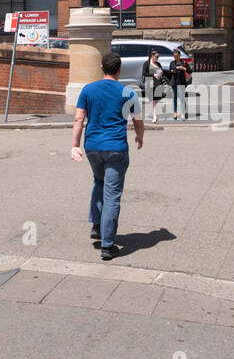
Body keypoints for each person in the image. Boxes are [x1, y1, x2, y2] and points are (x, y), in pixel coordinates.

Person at [71, 52, 143, 260]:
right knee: (112, 193)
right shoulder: (128, 93)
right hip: (116, 148)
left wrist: (75, 145)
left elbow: (78, 119)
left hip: (93, 146)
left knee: (98, 182)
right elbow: (137, 120)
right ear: (119, 70)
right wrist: (139, 137)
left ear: (102, 68)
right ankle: (107, 244)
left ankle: (96, 225)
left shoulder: (88, 89)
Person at [141, 48, 168, 124]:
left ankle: (152, 112)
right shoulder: (147, 63)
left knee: (157, 99)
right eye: (156, 56)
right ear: (152, 56)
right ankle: (154, 116)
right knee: (153, 100)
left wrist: (161, 72)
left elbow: (160, 72)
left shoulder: (158, 64)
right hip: (150, 84)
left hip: (158, 84)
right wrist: (153, 75)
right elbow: (144, 74)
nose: (157, 58)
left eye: (158, 57)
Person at [167, 48, 191, 119]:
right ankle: (175, 112)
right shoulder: (172, 63)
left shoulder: (184, 63)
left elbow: (190, 71)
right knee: (174, 98)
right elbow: (169, 72)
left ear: (180, 55)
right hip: (174, 82)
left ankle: (183, 113)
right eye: (174, 56)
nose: (176, 57)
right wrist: (172, 71)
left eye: (177, 56)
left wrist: (183, 68)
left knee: (182, 98)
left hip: (182, 82)